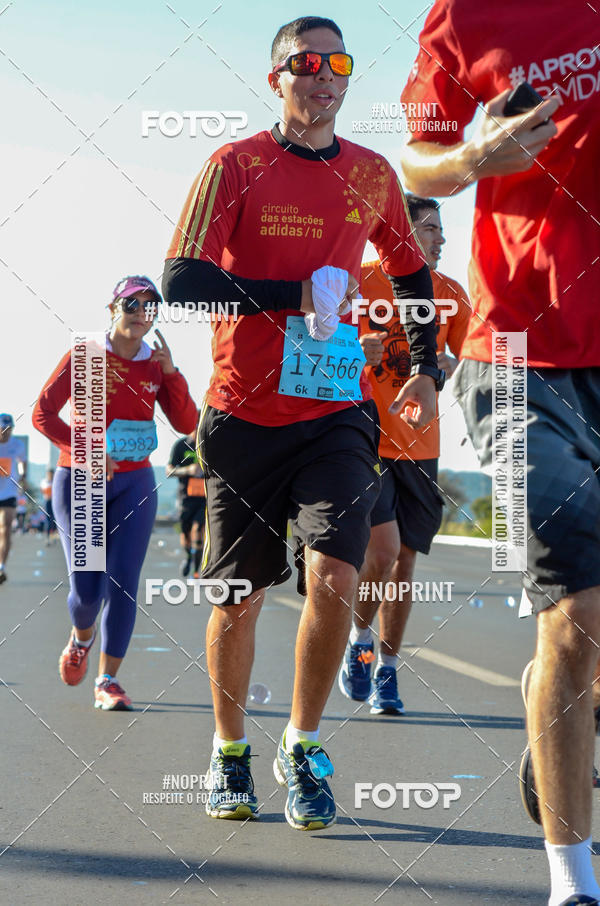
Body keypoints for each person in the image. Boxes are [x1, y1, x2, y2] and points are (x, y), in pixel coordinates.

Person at [163, 15, 441, 830]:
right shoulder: (235, 165)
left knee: (335, 577)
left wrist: (424, 362)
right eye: (306, 62)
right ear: (277, 74)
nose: (324, 76)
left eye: (339, 63)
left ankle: (304, 743)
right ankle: (229, 752)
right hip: (245, 410)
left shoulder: (374, 173)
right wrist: (292, 296)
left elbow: (411, 269)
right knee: (240, 596)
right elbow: (182, 279)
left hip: (337, 412)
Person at [400, 5, 600, 905]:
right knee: (574, 615)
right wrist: (475, 161)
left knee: (582, 647)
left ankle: (560, 696)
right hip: (515, 355)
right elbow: (418, 163)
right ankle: (573, 882)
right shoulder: (462, 17)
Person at [32, 276, 197, 711]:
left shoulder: (154, 364)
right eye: (132, 305)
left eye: (150, 307)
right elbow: (42, 414)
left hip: (136, 482)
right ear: (113, 309)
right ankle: (81, 637)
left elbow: (186, 423)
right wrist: (86, 450)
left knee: (123, 584)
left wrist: (171, 373)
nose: (141, 314)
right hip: (82, 480)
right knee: (89, 592)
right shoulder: (86, 354)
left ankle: (107, 680)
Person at [339, 194, 470, 714]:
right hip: (367, 439)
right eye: (432, 229)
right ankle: (360, 642)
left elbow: (464, 357)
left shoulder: (452, 297)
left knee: (406, 562)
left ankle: (387, 671)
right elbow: (319, 350)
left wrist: (444, 369)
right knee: (384, 552)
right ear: (406, 234)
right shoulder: (360, 283)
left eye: (441, 230)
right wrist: (357, 352)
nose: (441, 239)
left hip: (423, 446)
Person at [167, 430, 205, 578]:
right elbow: (169, 471)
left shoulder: (209, 443)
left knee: (198, 529)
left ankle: (196, 571)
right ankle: (189, 558)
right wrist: (187, 470)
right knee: (186, 534)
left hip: (205, 498)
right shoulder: (181, 445)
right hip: (185, 498)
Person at [0, 413, 27, 584]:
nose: (7, 432)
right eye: (4, 429)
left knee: (6, 527)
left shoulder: (17, 445)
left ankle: (1, 566)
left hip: (8, 492)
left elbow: (22, 462)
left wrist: (23, 476)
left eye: (10, 429)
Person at [40, 468, 57, 544]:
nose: (50, 475)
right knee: (48, 521)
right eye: (49, 474)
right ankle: (47, 538)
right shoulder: (44, 482)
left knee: (53, 521)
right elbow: (43, 491)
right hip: (47, 502)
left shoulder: (56, 482)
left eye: (52, 474)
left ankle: (52, 537)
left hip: (54, 502)